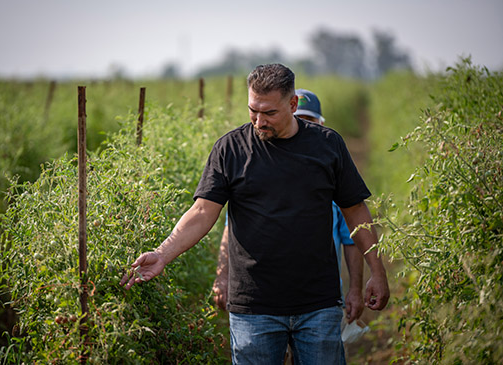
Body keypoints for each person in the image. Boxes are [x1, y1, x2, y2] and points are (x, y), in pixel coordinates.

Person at [121, 64, 390, 364]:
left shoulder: (327, 146)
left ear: (292, 104)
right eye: (253, 110)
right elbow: (201, 212)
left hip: (318, 304)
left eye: (269, 113)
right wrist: (162, 254)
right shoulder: (230, 150)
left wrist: (376, 273)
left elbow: (355, 212)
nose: (259, 121)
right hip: (254, 308)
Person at [212, 89, 365, 327]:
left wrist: (356, 287)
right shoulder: (251, 160)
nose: (303, 126)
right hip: (262, 300)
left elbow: (352, 237)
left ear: (321, 123)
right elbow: (230, 227)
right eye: (299, 119)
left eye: (309, 121)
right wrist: (222, 274)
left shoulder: (329, 170)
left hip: (318, 297)